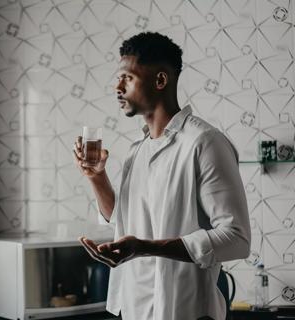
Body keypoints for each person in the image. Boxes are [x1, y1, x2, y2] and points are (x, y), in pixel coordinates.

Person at [73, 32, 251, 320]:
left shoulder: (205, 143)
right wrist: (96, 177)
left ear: (160, 80)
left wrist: (143, 248)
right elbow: (123, 222)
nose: (117, 87)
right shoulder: (137, 151)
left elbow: (236, 239)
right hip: (135, 309)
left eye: (127, 78)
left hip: (188, 311)